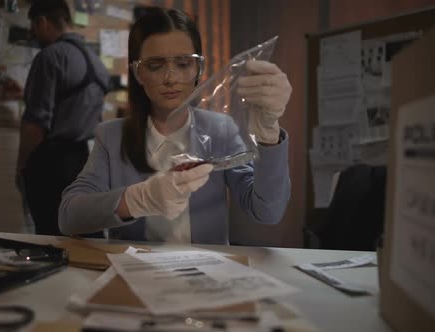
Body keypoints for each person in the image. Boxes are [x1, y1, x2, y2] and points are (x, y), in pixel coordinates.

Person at [58, 7, 292, 244]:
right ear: (137, 73)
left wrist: (269, 135)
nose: (170, 78)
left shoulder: (219, 130)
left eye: (183, 63)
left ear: (198, 68)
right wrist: (138, 199)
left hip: (208, 273)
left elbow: (267, 211)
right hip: (136, 274)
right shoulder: (112, 135)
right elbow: (69, 217)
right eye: (155, 65)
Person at [17, 0, 110, 235]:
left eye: (34, 27)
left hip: (49, 164)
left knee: (51, 237)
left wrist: (21, 165)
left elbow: (35, 125)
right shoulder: (97, 63)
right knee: (87, 234)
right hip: (83, 160)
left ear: (43, 21)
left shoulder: (50, 56)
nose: (33, 33)